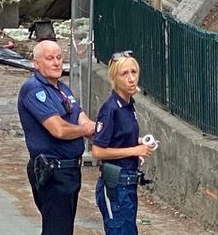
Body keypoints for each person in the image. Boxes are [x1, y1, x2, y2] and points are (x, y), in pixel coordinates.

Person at [17, 39, 96, 235]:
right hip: (53, 171)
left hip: (68, 171)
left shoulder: (61, 88)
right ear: (36, 63)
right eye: (50, 58)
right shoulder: (34, 89)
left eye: (59, 58)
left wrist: (89, 126)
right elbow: (58, 129)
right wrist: (86, 130)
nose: (56, 63)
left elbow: (79, 114)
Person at [91, 51, 155, 235]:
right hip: (115, 184)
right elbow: (98, 151)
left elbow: (119, 139)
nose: (131, 78)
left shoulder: (129, 104)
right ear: (114, 78)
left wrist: (139, 144)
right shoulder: (110, 109)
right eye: (124, 74)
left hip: (128, 183)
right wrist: (134, 150)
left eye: (133, 72)